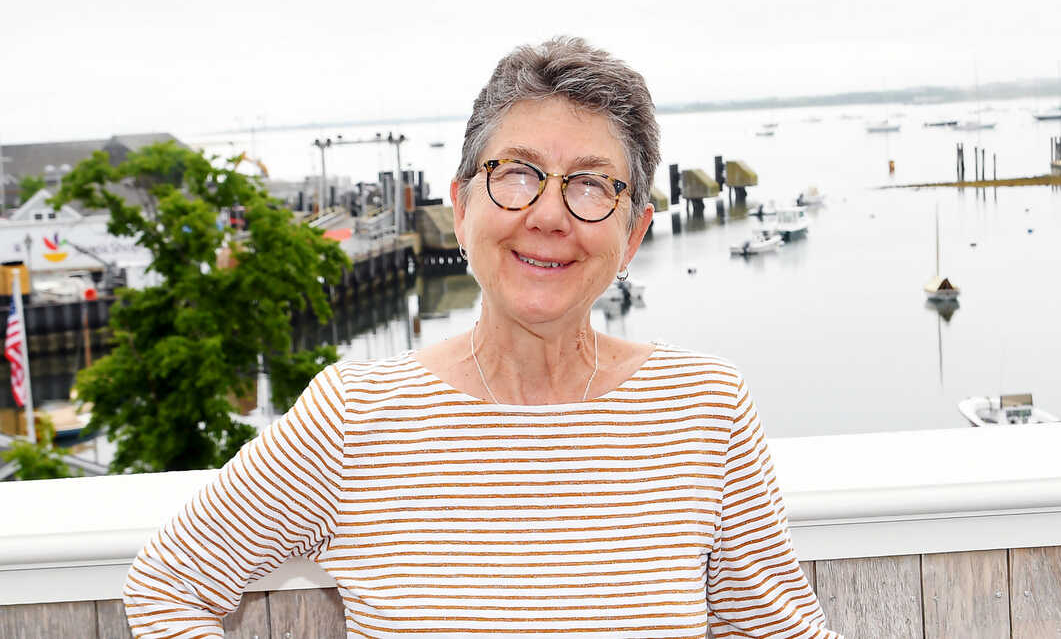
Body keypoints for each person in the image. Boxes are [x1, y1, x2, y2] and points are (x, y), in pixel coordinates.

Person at [124, 37, 840, 639]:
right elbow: (167, 585)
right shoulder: (356, 417)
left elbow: (774, 629)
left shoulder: (702, 408)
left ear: (634, 235)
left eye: (592, 185)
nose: (549, 214)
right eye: (518, 174)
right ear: (462, 205)